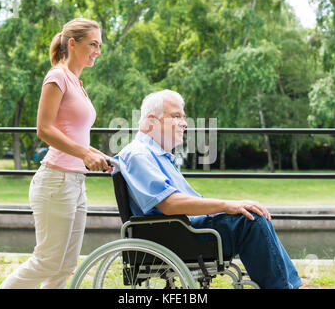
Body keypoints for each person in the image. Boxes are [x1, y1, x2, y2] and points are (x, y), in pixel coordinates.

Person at [114, 89, 302, 289]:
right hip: (178, 236)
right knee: (251, 220)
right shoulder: (139, 155)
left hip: (183, 231)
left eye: (184, 117)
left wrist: (229, 206)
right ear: (151, 121)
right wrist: (227, 205)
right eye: (176, 116)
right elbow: (169, 204)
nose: (184, 123)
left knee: (252, 215)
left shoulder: (157, 155)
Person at [0, 18, 112, 289]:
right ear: (73, 44)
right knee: (48, 261)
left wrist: (101, 156)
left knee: (65, 266)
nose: (98, 50)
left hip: (76, 182)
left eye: (99, 45)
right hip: (55, 182)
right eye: (93, 44)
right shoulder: (57, 77)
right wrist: (85, 155)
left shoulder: (77, 82)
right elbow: (44, 129)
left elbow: (74, 135)